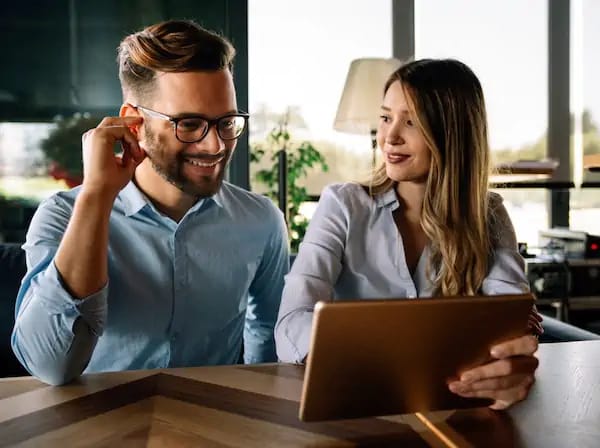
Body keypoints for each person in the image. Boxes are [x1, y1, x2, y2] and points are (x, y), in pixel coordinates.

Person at [11, 20, 289, 385]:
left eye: (226, 122)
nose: (216, 145)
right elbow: (51, 366)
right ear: (134, 123)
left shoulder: (262, 221)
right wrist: (96, 196)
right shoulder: (62, 217)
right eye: (189, 124)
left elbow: (268, 331)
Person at [275, 58, 541, 410]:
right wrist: (389, 353)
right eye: (386, 117)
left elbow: (511, 321)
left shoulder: (488, 214)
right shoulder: (342, 205)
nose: (390, 136)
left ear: (453, 133)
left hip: (453, 408)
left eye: (412, 121)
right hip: (353, 406)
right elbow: (291, 324)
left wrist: (511, 365)